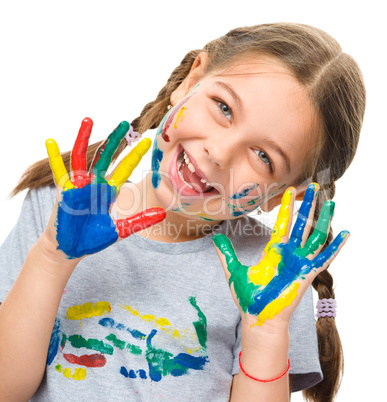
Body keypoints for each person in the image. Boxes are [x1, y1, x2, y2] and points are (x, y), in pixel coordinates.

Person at [0, 22, 365, 401]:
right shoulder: (59, 211)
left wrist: (266, 333)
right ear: (189, 83)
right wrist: (51, 258)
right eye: (223, 107)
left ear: (282, 196)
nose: (220, 152)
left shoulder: (269, 279)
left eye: (262, 157)